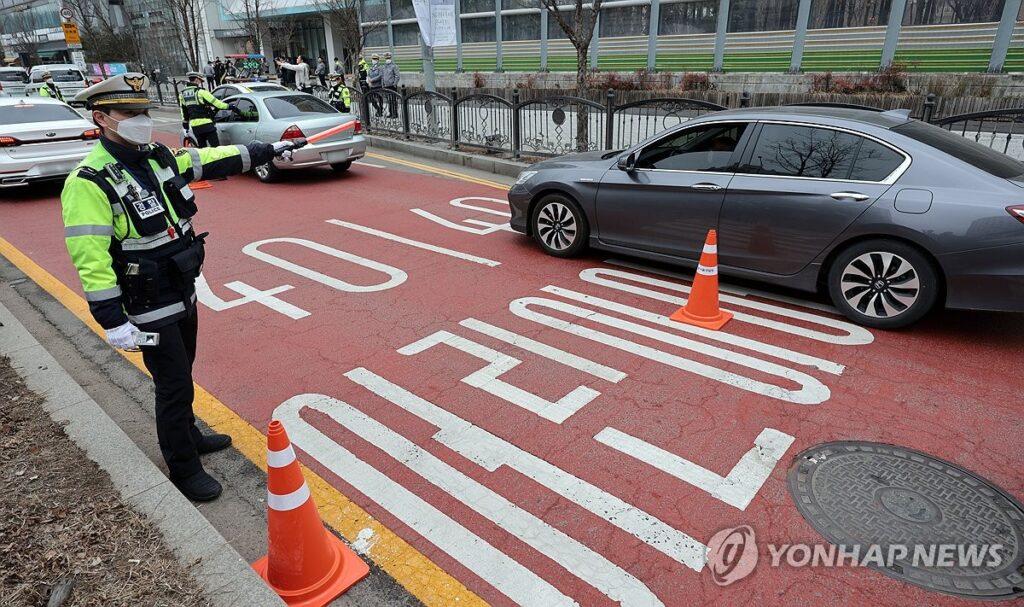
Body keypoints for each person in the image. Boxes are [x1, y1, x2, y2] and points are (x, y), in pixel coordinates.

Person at [60, 73, 305, 501]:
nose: (142, 120)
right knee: (172, 383)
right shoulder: (89, 181)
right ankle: (183, 467)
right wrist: (111, 319)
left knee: (184, 369)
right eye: (129, 113)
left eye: (145, 111)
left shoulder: (153, 156)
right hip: (146, 298)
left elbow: (206, 160)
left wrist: (264, 149)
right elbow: (90, 257)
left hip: (182, 283)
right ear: (101, 118)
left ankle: (190, 434)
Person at [178, 71, 231, 148]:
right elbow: (218, 104)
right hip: (207, 124)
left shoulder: (182, 94)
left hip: (195, 127)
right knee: (215, 148)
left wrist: (185, 123)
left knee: (203, 149)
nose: (200, 82)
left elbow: (184, 111)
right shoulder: (201, 92)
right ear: (196, 79)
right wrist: (230, 107)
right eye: (200, 80)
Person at [382, 51, 401, 118]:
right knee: (389, 100)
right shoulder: (384, 67)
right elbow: (383, 76)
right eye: (386, 58)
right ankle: (390, 112)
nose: (387, 60)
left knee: (393, 100)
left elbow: (397, 76)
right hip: (386, 86)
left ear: (391, 58)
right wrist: (383, 84)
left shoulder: (394, 66)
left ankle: (395, 113)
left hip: (392, 86)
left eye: (388, 58)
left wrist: (394, 84)